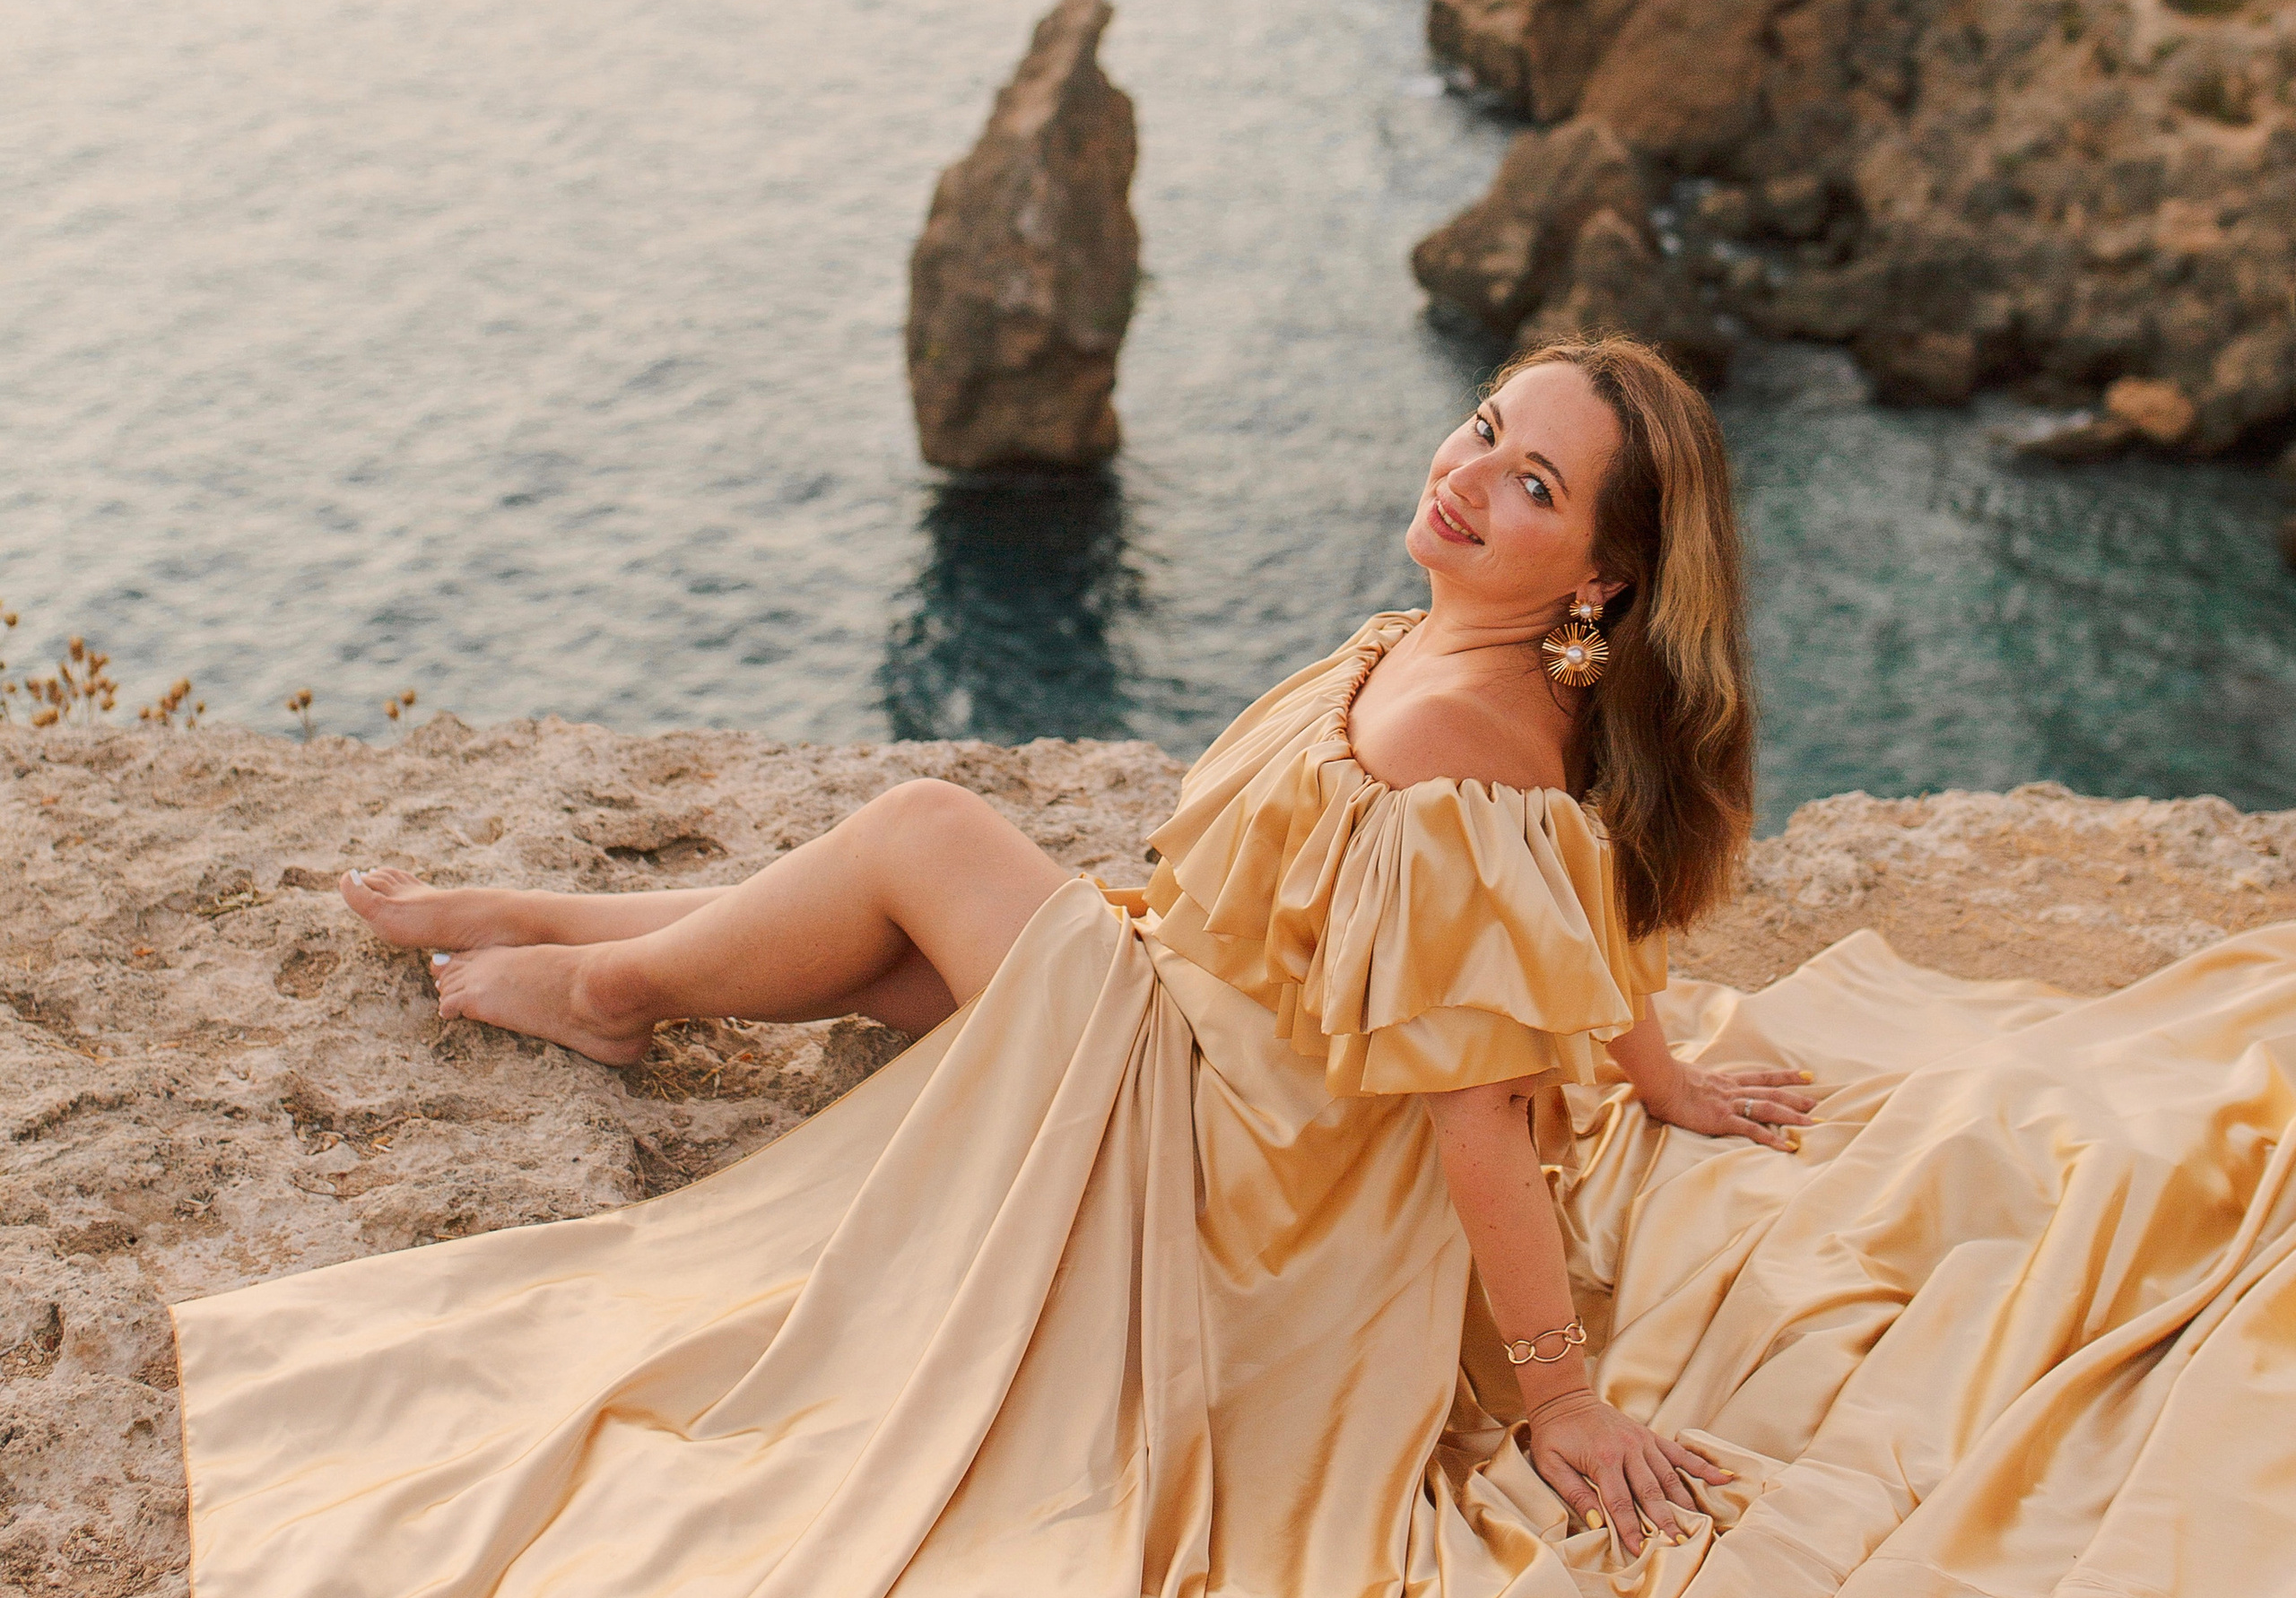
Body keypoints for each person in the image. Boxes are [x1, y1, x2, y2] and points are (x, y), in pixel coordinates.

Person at [171, 335, 2296, 1596]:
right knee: (936, 950)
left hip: (1254, 1164)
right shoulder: (1469, 673)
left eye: (1530, 482)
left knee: (928, 839)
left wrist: (1554, 1397)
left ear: (1603, 570)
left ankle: (617, 975)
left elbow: (1472, 1082)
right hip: (1213, 1028)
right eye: (1481, 427)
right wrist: (1652, 1075)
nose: (1466, 476)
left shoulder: (1465, 730)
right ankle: (602, 926)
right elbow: (1552, 942)